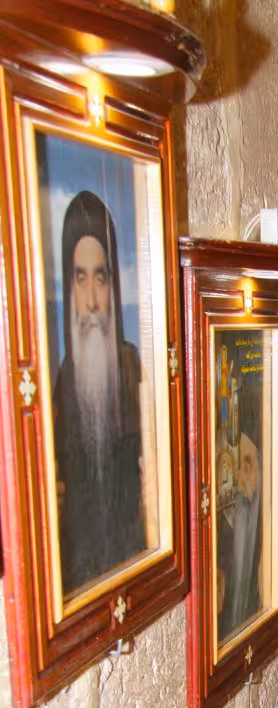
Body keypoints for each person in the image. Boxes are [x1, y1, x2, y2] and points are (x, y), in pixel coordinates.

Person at [53, 190, 145, 595]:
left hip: (133, 558)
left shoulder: (132, 366)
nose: (91, 301)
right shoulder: (61, 383)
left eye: (101, 277)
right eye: (80, 277)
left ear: (113, 285)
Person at [217, 385, 263, 643]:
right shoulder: (218, 532)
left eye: (248, 465)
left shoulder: (267, 526)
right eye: (234, 466)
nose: (241, 482)